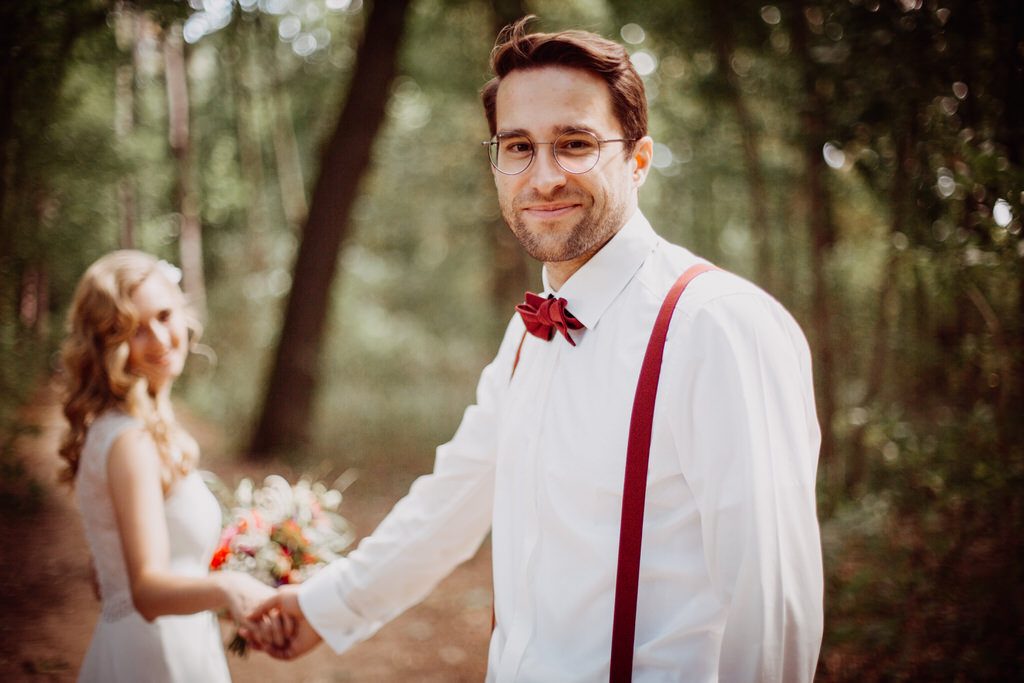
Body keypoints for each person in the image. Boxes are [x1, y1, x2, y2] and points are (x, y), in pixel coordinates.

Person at [247, 18, 824, 682]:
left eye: (575, 143)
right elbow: (453, 499)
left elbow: (772, 609)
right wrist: (324, 606)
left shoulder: (719, 327)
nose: (543, 176)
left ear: (637, 160)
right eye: (518, 147)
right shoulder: (529, 331)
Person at [60, 250, 275, 682]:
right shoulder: (128, 440)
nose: (159, 339)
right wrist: (230, 588)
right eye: (134, 330)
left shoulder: (131, 427)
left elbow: (105, 579)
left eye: (164, 315)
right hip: (154, 658)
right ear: (107, 345)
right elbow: (146, 591)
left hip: (169, 642)